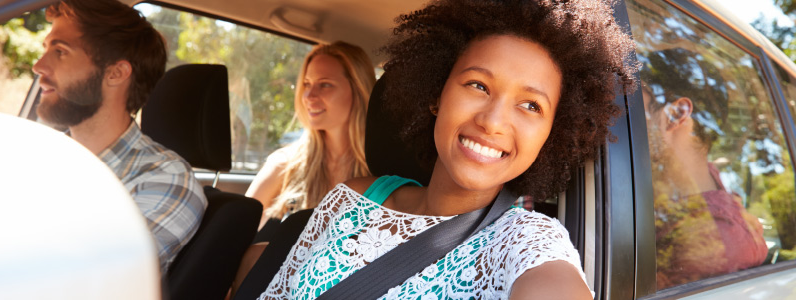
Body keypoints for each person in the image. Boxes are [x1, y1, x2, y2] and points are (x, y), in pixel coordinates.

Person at [255, 0, 639, 298]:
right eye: (477, 85)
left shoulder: (527, 242)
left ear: (549, 136)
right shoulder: (351, 198)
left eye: (530, 105)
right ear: (437, 95)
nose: (492, 121)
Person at [32, 0, 206, 274]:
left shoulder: (164, 180)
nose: (38, 66)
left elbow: (82, 280)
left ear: (116, 73)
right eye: (45, 49)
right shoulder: (36, 157)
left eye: (60, 51)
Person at [640, 48, 767, 289]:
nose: (624, 117)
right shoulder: (702, 182)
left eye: (638, 106)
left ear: (676, 114)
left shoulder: (710, 242)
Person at [246, 41, 376, 229]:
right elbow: (234, 235)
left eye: (325, 85)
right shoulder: (284, 165)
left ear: (358, 90)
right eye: (307, 84)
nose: (308, 96)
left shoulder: (382, 172)